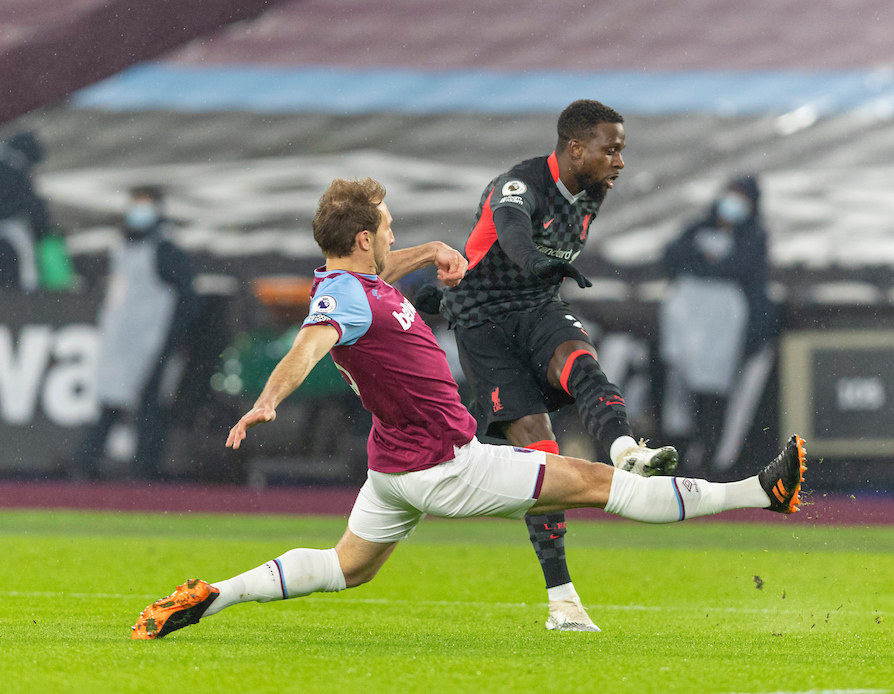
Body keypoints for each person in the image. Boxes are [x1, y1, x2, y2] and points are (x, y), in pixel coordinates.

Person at [130, 177, 808, 640]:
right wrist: (267, 401)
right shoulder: (341, 300)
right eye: (389, 230)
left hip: (393, 470)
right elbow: (309, 346)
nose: (394, 239)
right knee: (603, 482)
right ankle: (760, 490)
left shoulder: (359, 283)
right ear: (364, 237)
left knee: (346, 567)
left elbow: (375, 281)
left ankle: (211, 594)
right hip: (446, 465)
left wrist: (426, 252)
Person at [422, 100, 677, 631]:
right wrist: (535, 260)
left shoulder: (593, 190)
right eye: (612, 150)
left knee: (583, 365)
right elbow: (512, 230)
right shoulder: (518, 184)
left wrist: (542, 274)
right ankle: (563, 600)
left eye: (622, 150)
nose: (620, 163)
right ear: (575, 147)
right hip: (482, 323)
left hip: (536, 309)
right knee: (542, 452)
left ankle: (625, 451)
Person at [73, 186, 198, 479]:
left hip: (150, 342)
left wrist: (173, 337)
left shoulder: (165, 249)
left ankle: (143, 468)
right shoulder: (124, 246)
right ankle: (89, 463)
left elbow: (187, 298)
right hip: (121, 341)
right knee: (112, 401)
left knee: (148, 406)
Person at [660, 176, 777, 476]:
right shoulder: (698, 230)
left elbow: (742, 270)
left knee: (716, 400)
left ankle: (713, 462)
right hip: (688, 331)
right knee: (681, 399)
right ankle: (680, 459)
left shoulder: (753, 238)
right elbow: (672, 256)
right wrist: (704, 261)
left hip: (724, 335)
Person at [0, 131, 49, 293]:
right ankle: (29, 291)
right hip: (11, 222)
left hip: (10, 221)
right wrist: (42, 229)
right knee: (27, 256)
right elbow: (33, 205)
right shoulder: (18, 173)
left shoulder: (12, 168)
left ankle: (28, 289)